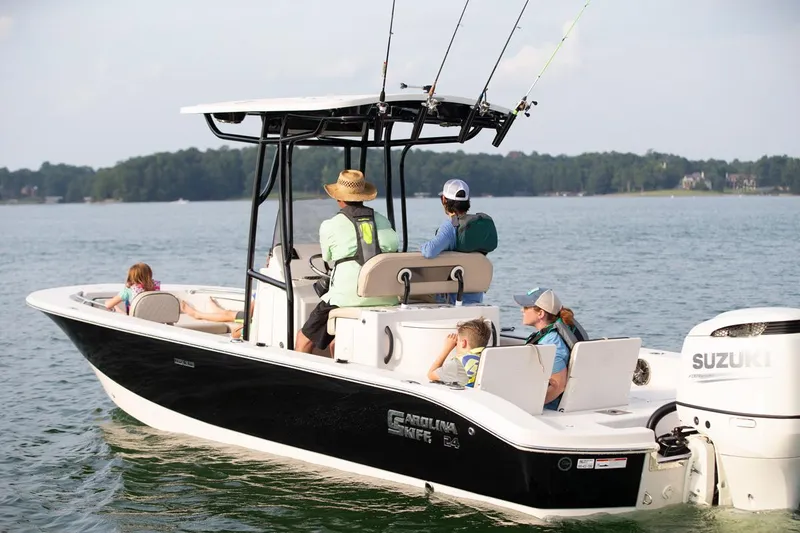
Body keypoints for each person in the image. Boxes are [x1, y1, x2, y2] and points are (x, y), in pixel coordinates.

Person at [295, 170, 399, 356]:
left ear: (338, 198)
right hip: (386, 297)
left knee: (303, 338)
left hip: (345, 298)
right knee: (337, 341)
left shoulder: (330, 225)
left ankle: (297, 371)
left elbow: (327, 257)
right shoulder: (384, 221)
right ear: (364, 197)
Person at [419, 178, 497, 305]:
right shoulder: (475, 225)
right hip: (475, 297)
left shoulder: (451, 226)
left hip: (451, 300)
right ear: (467, 201)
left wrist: (421, 247)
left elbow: (429, 251)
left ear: (444, 200)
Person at [513, 287, 588, 411]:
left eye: (526, 307)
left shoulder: (551, 344)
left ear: (540, 313)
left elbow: (558, 386)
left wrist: (529, 406)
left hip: (549, 408)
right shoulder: (550, 335)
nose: (522, 310)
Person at [427, 318, 492, 387]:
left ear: (463, 343)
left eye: (457, 341)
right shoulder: (488, 359)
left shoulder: (456, 365)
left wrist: (446, 349)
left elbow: (430, 375)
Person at [180, 296, 253, 339]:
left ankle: (197, 315)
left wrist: (244, 324)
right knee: (229, 314)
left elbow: (249, 313)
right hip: (255, 319)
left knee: (235, 332)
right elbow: (250, 312)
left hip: (257, 326)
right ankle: (220, 312)